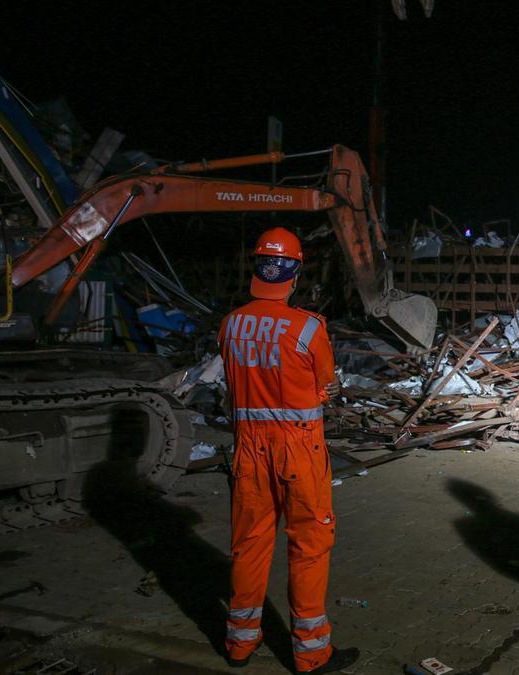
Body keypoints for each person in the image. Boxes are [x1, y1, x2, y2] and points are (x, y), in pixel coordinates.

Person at [218, 226, 359, 673]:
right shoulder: (308, 328)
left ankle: (240, 644)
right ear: (295, 274)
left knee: (249, 544)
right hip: (298, 450)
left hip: (248, 451)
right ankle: (311, 653)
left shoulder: (231, 325)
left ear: (258, 269)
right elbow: (325, 387)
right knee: (309, 546)